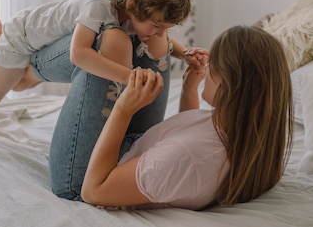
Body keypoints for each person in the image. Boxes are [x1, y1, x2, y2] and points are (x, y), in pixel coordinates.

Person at [0, 0, 208, 198]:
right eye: (157, 25)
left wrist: (184, 54)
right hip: (23, 39)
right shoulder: (100, 6)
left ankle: (19, 77)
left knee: (17, 84)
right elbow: (79, 55)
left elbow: (164, 39)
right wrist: (130, 76)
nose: (159, 32)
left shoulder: (136, 6)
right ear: (134, 5)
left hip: (53, 44)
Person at [80, 25, 294, 210]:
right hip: (133, 155)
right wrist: (189, 90)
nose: (208, 68)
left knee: (105, 39)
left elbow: (93, 191)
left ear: (230, 85)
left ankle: (43, 68)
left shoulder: (185, 157)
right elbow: (189, 140)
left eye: (214, 65)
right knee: (155, 39)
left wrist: (123, 110)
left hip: (93, 174)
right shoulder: (243, 133)